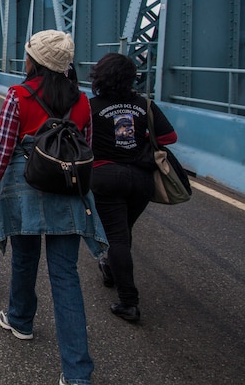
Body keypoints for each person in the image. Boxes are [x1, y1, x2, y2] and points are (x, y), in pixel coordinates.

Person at [0, 30, 106, 385]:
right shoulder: (82, 101)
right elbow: (86, 150)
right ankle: (78, 374)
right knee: (65, 276)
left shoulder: (18, 95)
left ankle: (20, 319)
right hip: (67, 191)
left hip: (26, 188)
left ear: (33, 61)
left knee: (24, 257)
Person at [89, 53, 177, 323]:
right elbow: (169, 137)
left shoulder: (92, 106)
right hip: (141, 176)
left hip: (104, 174)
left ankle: (128, 301)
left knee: (116, 236)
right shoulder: (143, 105)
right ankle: (112, 270)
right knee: (124, 231)